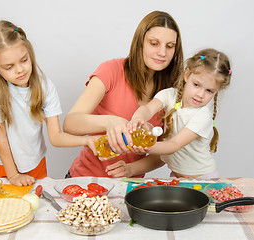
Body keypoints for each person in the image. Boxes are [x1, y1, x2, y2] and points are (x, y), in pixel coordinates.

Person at [0, 20, 98, 186]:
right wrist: (13, 176)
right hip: (3, 166)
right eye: (9, 67)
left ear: (29, 53)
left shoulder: (44, 85)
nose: (20, 70)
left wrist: (86, 141)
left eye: (24, 60)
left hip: (36, 163)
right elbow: (1, 138)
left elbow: (55, 137)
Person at [63, 11, 184, 178]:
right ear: (140, 42)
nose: (162, 53)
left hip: (128, 188)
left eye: (170, 46)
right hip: (84, 181)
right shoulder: (111, 70)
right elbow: (70, 123)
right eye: (154, 43)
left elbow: (163, 153)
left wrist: (131, 169)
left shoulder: (171, 93)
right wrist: (110, 122)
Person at [127, 48, 232, 179]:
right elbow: (148, 109)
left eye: (209, 91)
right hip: (177, 176)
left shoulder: (202, 116)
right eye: (196, 85)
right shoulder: (169, 95)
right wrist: (138, 117)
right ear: (187, 75)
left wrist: (147, 147)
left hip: (203, 178)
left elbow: (174, 145)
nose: (200, 94)